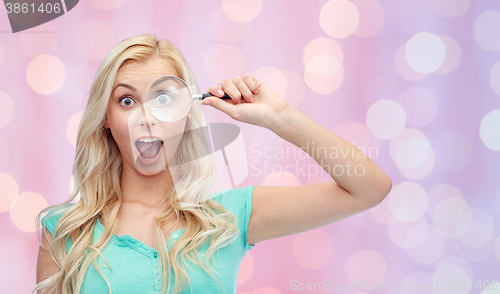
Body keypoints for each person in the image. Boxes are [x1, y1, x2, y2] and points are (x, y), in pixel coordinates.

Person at [35, 34, 392, 294]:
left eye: (163, 97)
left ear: (188, 110)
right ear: (106, 119)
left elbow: (369, 188)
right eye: (127, 100)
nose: (147, 116)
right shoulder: (65, 232)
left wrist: (280, 117)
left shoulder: (230, 218)